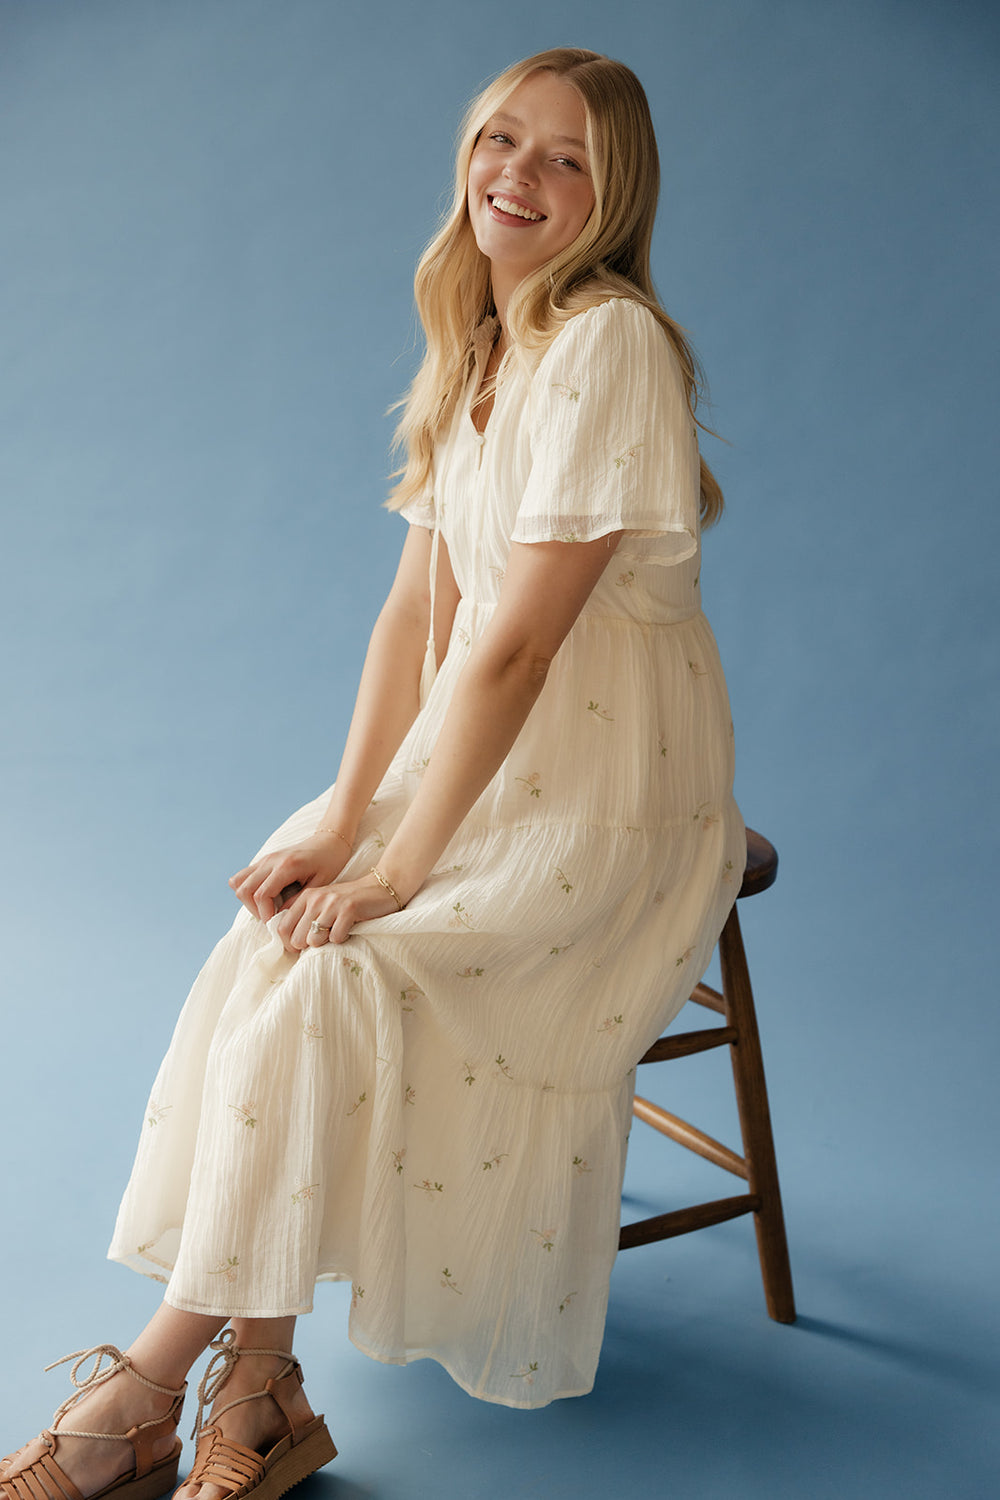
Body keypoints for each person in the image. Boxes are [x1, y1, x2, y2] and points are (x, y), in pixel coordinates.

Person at [1, 45, 745, 1500]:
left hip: (607, 802)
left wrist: (403, 868)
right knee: (284, 928)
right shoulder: (479, 343)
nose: (517, 178)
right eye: (501, 140)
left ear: (614, 198)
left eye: (566, 159)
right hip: (476, 770)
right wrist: (349, 821)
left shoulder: (608, 345)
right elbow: (418, 614)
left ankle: (149, 1395)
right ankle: (261, 1393)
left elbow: (520, 646)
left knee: (352, 968)